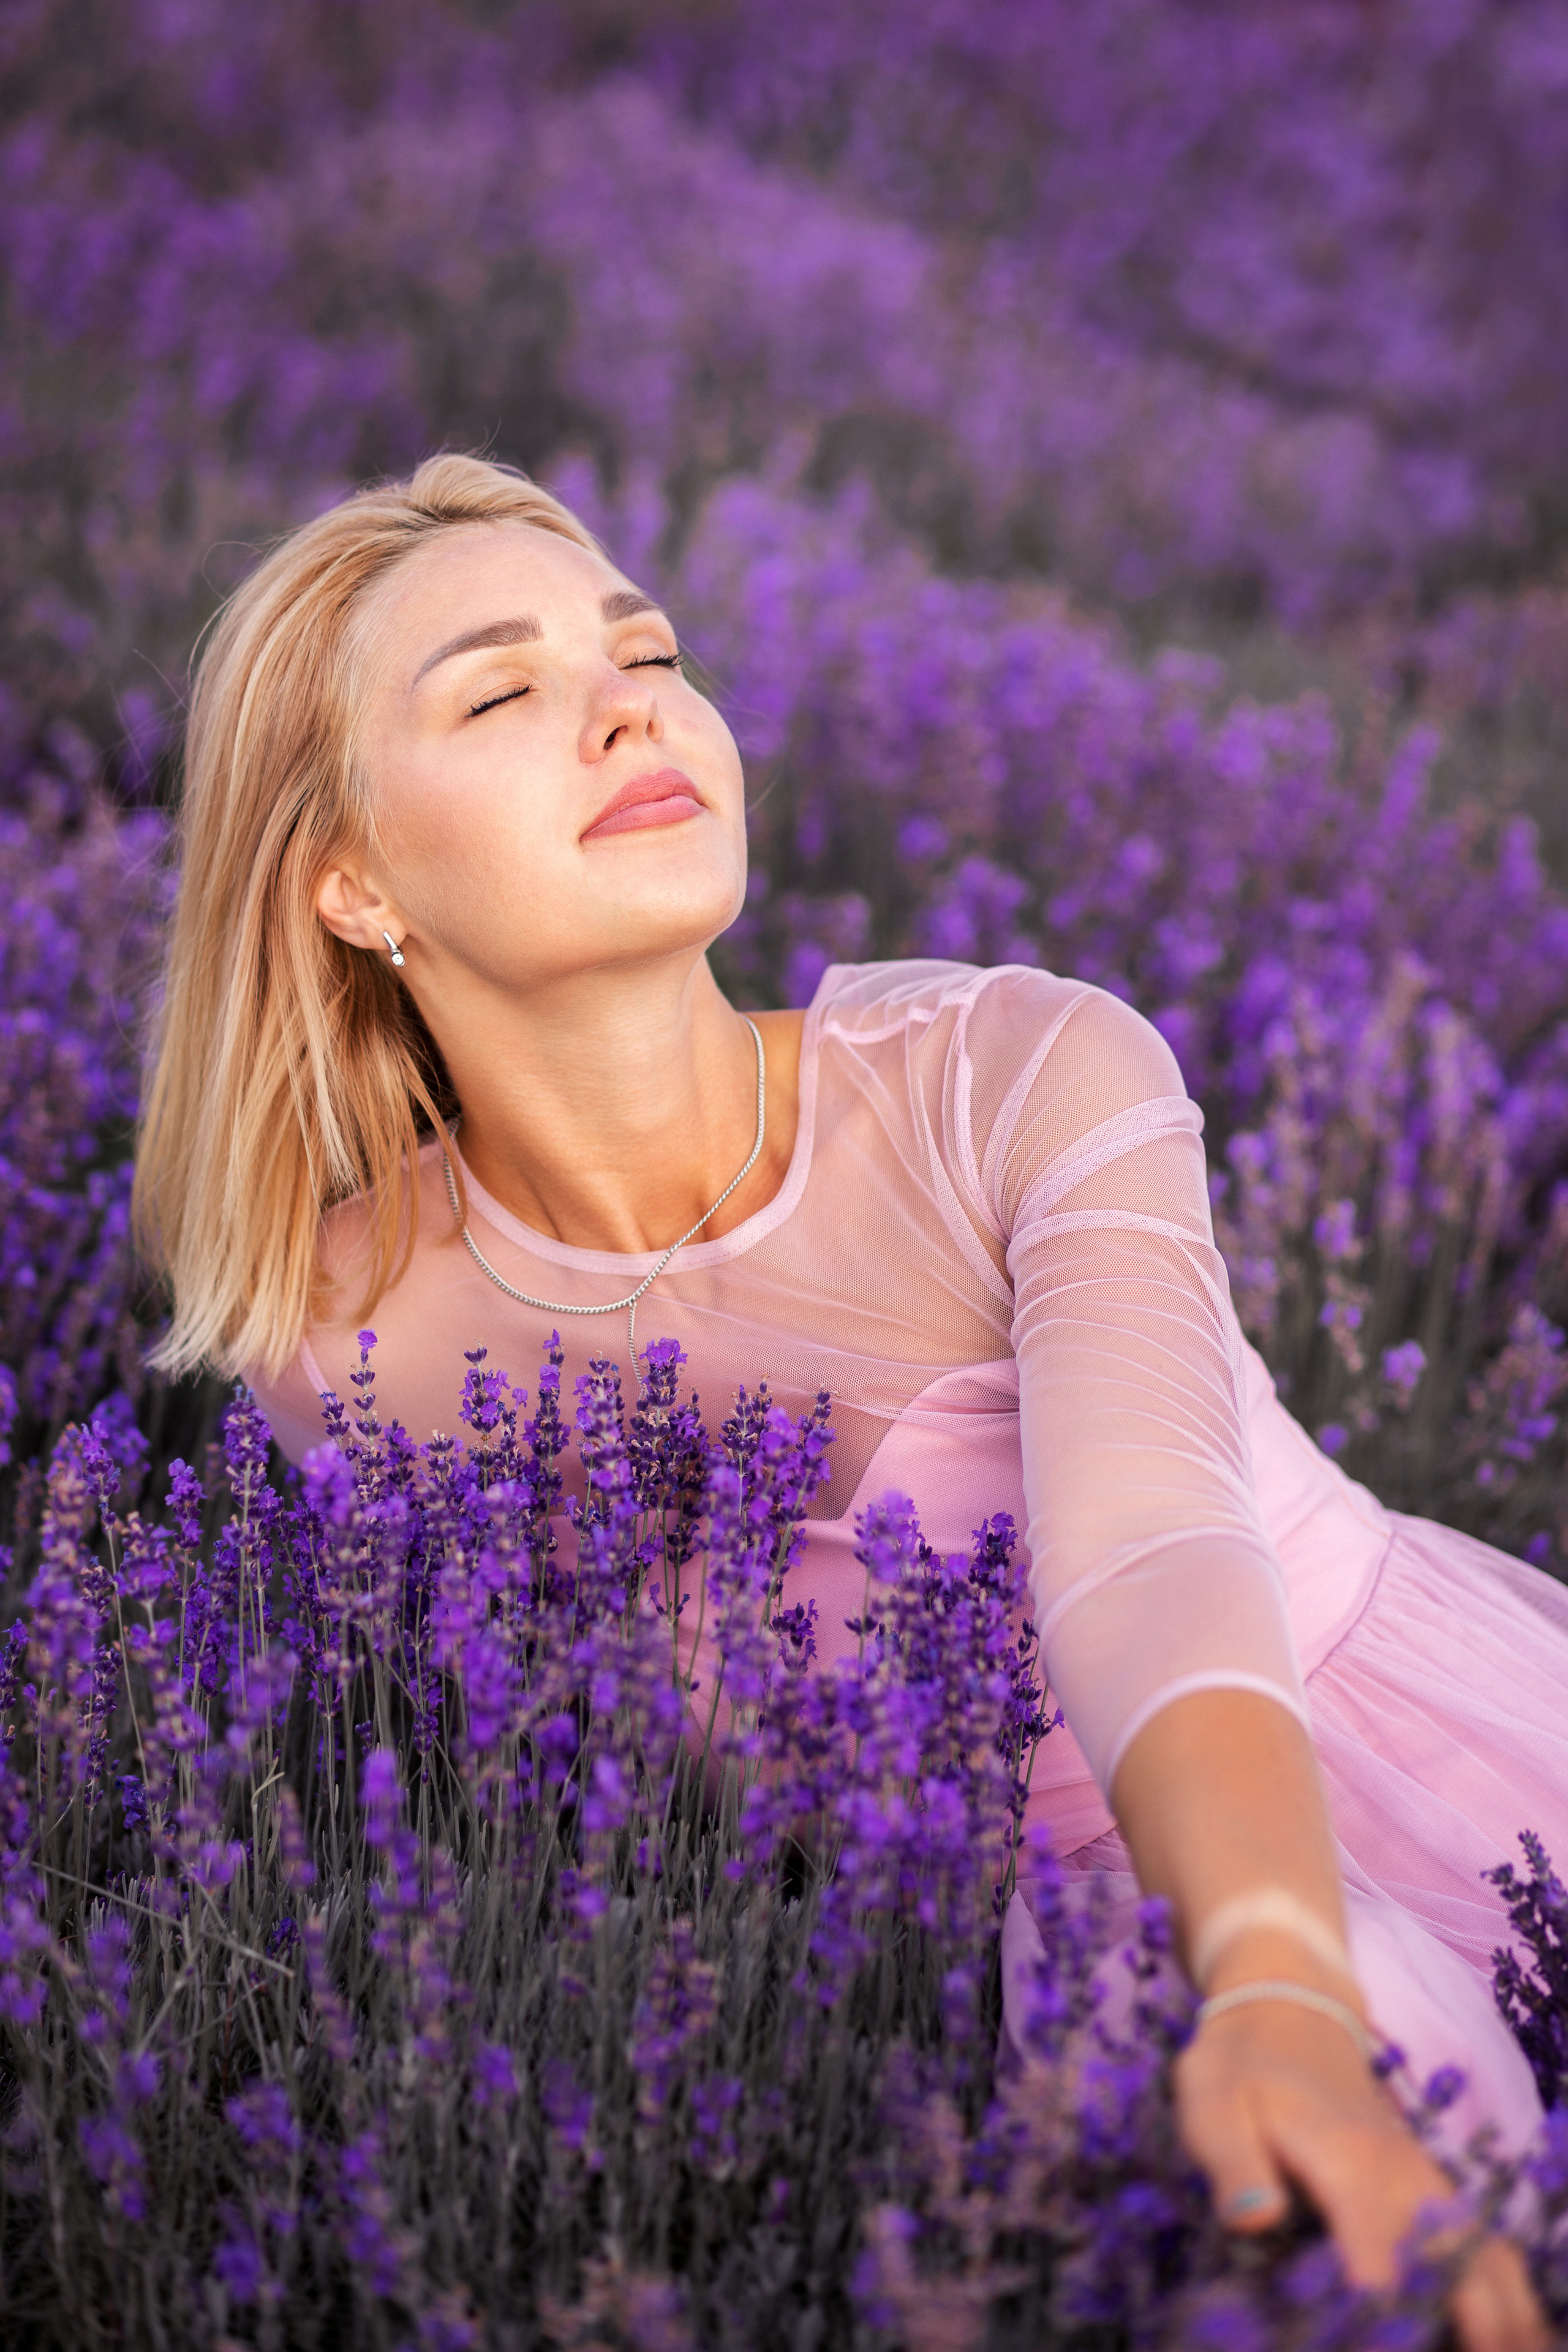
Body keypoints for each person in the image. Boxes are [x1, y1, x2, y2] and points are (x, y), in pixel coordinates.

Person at [134, 454, 1562, 2351]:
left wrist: (1282, 1980)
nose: (632, 699)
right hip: (1021, 1945)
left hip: (1371, 1744)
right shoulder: (339, 1344)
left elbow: (1147, 1546)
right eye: (500, 689)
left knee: (1376, 2100)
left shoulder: (1015, 1067)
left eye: (646, 650)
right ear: (350, 879)